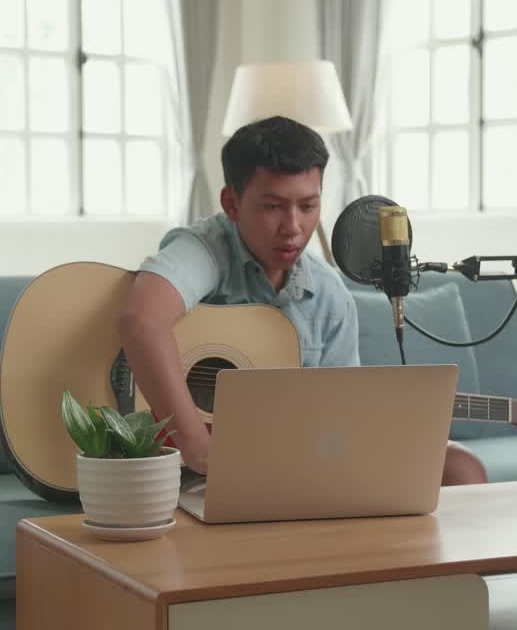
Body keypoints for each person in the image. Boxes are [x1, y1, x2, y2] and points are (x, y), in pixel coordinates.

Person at [117, 115, 487, 485]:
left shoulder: (329, 297)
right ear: (231, 203)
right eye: (273, 207)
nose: (293, 227)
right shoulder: (206, 248)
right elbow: (142, 321)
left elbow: (340, 416)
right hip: (183, 467)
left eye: (308, 206)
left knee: (459, 468)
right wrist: (197, 446)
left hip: (286, 462)